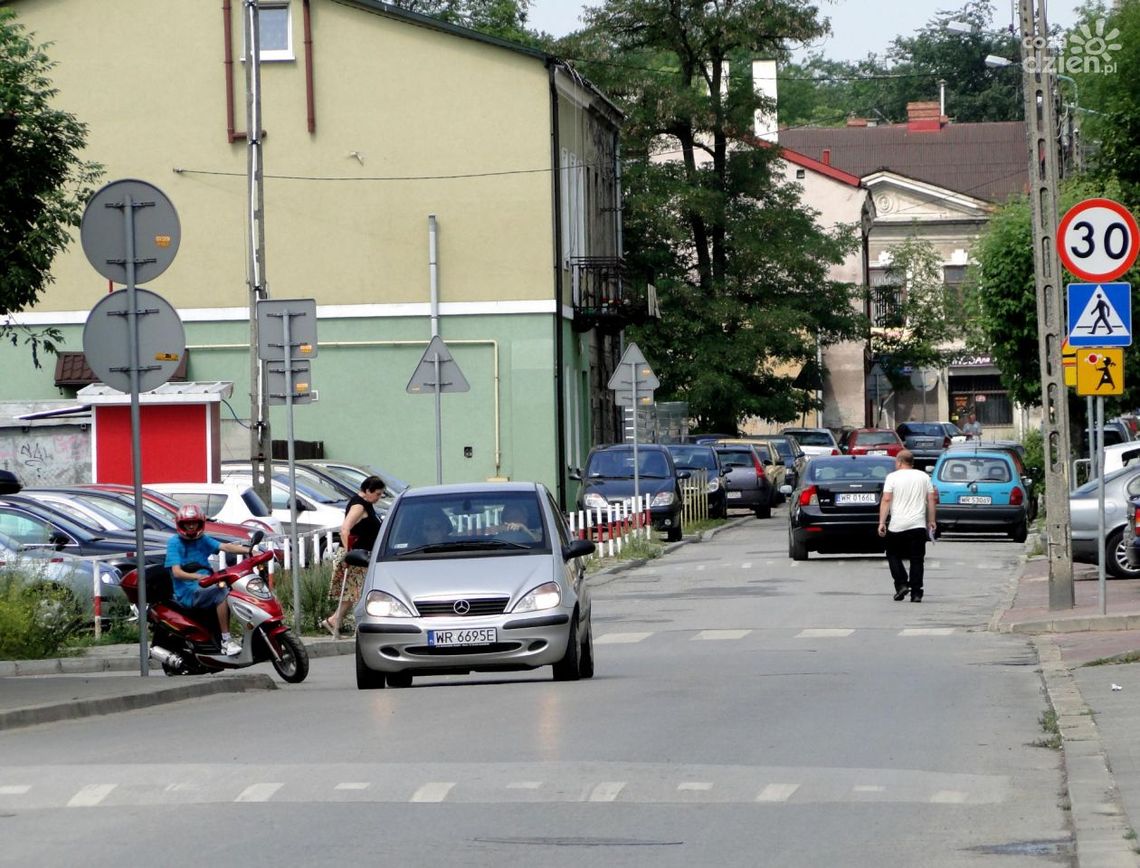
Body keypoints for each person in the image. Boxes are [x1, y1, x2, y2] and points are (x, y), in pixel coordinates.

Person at [166, 504, 255, 655]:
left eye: (194, 522)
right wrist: (197, 576)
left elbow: (225, 547)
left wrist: (250, 550)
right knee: (221, 593)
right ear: (181, 524)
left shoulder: (202, 539)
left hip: (205, 584)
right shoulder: (174, 542)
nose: (191, 526)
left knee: (236, 590)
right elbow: (177, 572)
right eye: (188, 523)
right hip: (188, 591)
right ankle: (226, 640)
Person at [322, 475, 386, 636]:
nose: (379, 498)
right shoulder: (359, 506)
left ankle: (334, 620)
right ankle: (351, 622)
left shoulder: (367, 503)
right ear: (367, 491)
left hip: (363, 555)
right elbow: (345, 529)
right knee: (358, 591)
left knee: (353, 592)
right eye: (377, 494)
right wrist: (349, 554)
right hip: (356, 555)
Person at [877, 450, 937, 603]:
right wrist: (931, 520)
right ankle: (916, 593)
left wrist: (882, 522)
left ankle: (902, 584)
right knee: (917, 559)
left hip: (897, 525)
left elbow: (886, 499)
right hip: (917, 525)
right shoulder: (924, 477)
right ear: (912, 462)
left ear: (899, 462)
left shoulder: (892, 477)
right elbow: (931, 499)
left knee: (893, 555)